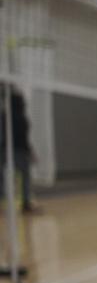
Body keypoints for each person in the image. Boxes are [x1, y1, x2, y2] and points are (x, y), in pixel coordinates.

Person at [0, 84, 38, 213]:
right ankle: (26, 204)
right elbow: (24, 138)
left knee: (2, 177)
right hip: (20, 152)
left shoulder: (4, 116)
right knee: (25, 177)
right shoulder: (22, 119)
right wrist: (31, 152)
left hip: (5, 150)